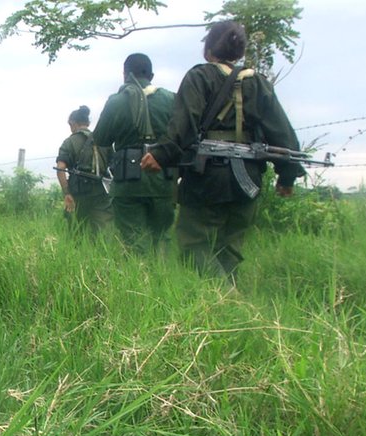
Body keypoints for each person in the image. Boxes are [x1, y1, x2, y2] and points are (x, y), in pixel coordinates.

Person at [140, 20, 305, 279]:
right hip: (247, 179)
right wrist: (287, 176)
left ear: (208, 50)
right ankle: (230, 308)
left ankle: (227, 300)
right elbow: (283, 134)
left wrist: (161, 154)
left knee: (194, 246)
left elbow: (183, 125)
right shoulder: (257, 82)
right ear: (239, 51)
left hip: (207, 178)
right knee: (230, 250)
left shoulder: (200, 76)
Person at [93, 53, 176, 254]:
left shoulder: (117, 101)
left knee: (134, 242)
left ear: (125, 75)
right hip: (163, 180)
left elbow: (101, 138)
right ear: (152, 75)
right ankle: (161, 280)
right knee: (161, 239)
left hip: (128, 181)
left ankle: (139, 282)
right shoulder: (171, 99)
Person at [55, 105, 113, 234]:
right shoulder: (103, 140)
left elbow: (60, 168)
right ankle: (101, 253)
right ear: (88, 123)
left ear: (72, 123)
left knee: (76, 231)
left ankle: (78, 253)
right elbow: (114, 166)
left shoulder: (69, 142)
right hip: (101, 192)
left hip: (78, 193)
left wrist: (67, 193)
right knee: (103, 232)